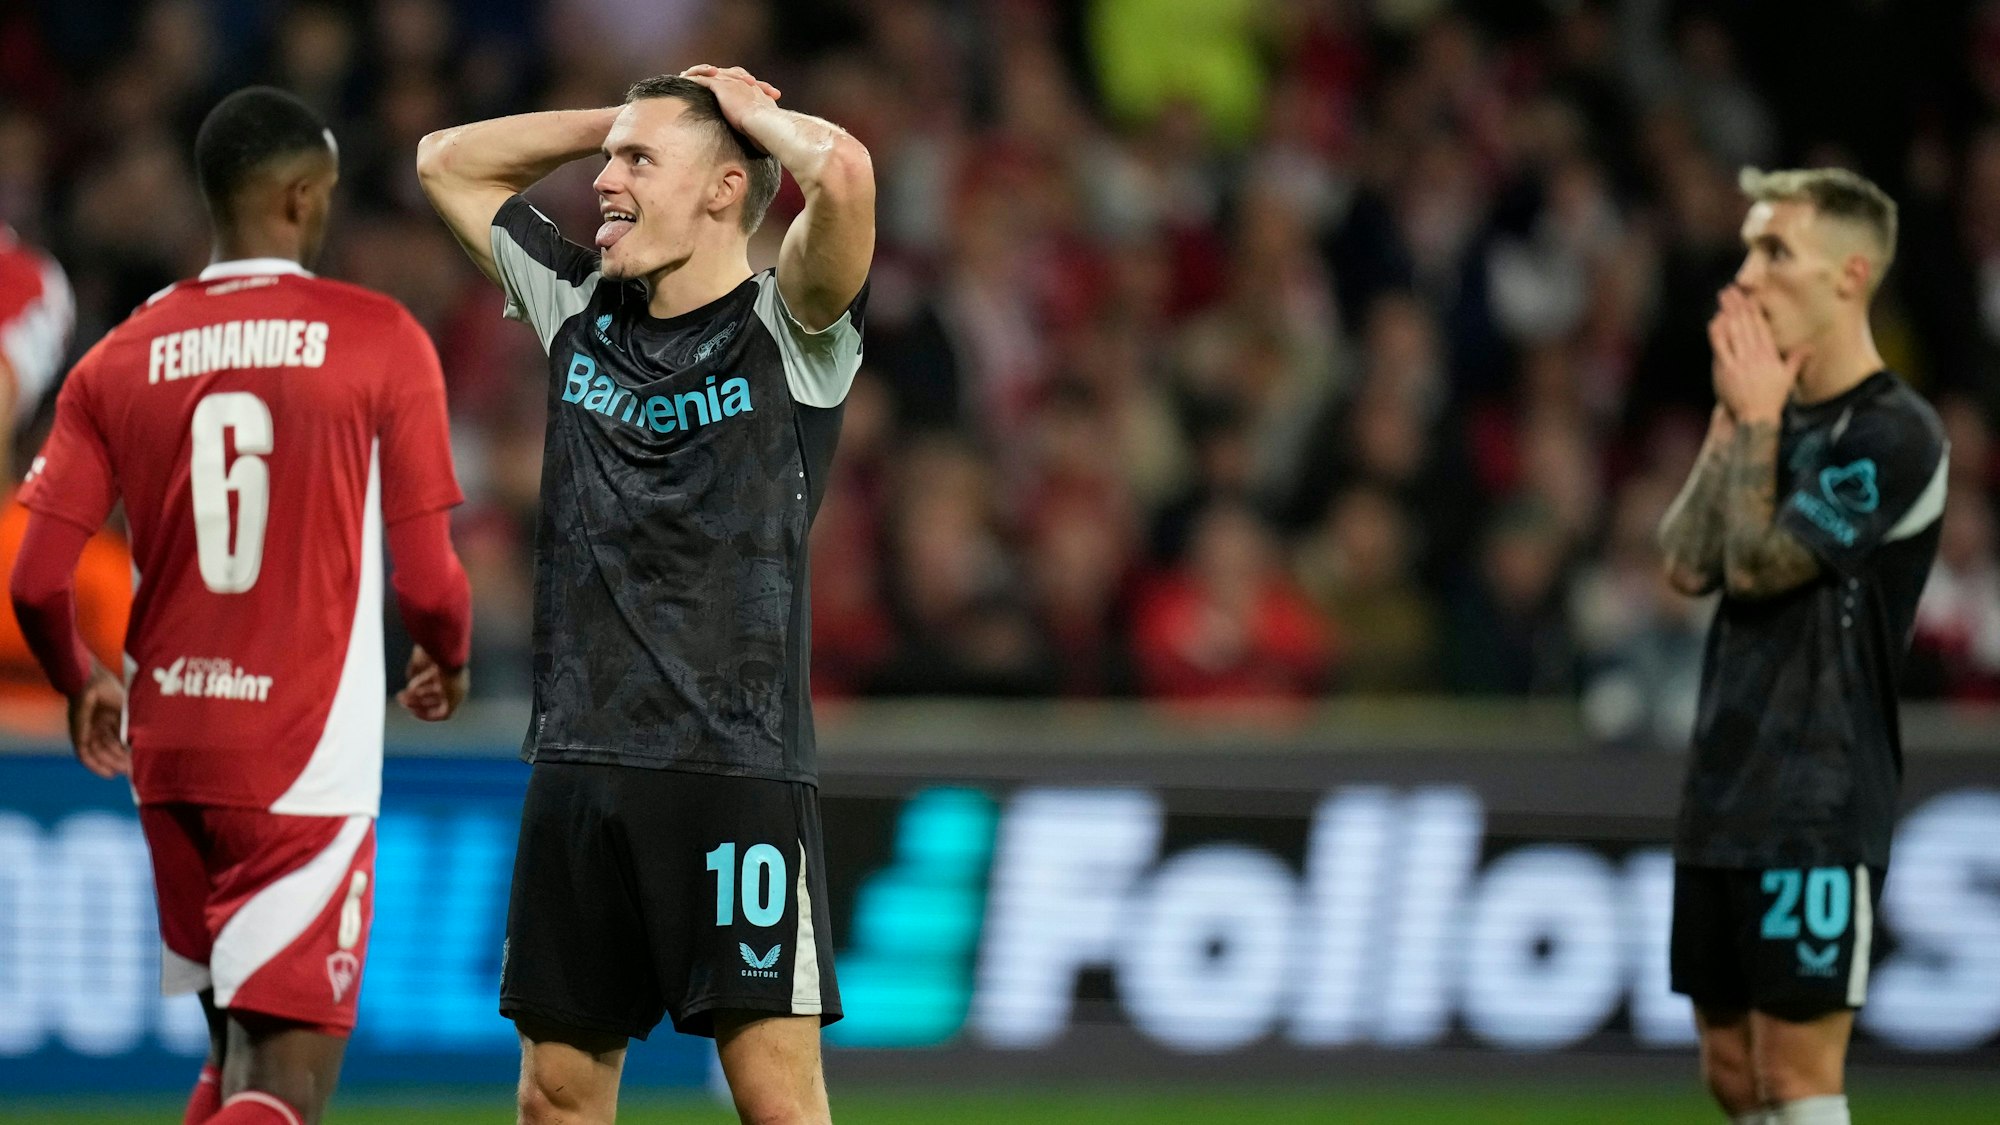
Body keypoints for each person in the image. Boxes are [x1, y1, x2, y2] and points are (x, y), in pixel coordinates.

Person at [417, 64, 872, 1125]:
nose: (602, 181)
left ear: (721, 189)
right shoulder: (578, 303)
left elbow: (841, 175)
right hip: (579, 758)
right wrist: (614, 123)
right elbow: (445, 160)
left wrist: (752, 120)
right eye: (608, 160)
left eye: (636, 162)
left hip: (734, 768)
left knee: (774, 1102)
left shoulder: (790, 325)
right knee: (555, 1098)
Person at [9, 87, 472, 1125]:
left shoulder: (117, 355)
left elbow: (37, 581)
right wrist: (450, 653)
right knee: (286, 1090)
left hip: (170, 750)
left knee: (233, 1060)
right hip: (299, 758)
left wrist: (83, 684)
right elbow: (430, 577)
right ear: (305, 197)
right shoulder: (377, 338)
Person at [1656, 168, 1947, 1125]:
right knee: (1732, 1071)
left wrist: (1758, 423)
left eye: (1775, 251)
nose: (1745, 274)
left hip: (1816, 796)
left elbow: (1761, 566)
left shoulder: (1895, 433)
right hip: (1725, 782)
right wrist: (1733, 423)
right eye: (1747, 247)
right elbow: (1686, 564)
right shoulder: (1765, 416)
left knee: (1796, 1072)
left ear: (1850, 275)